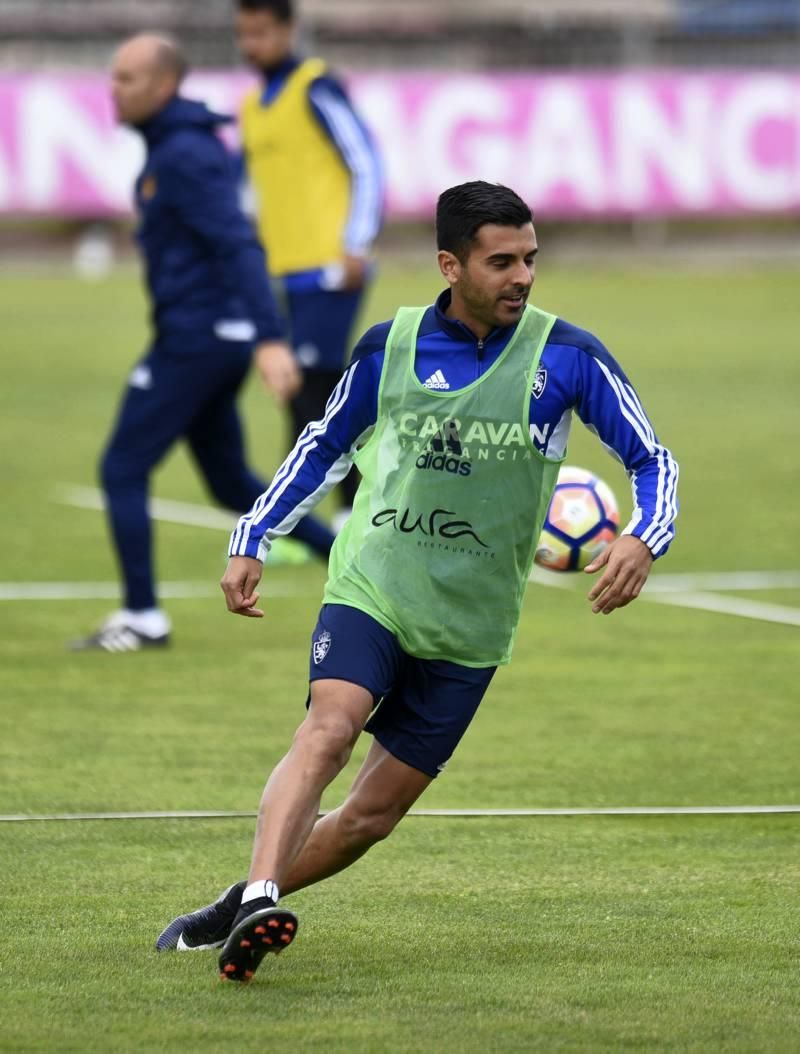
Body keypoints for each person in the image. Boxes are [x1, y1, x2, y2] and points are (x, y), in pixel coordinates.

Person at [155, 182, 679, 981]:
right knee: (330, 727)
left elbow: (653, 458)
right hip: (375, 584)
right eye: (501, 262)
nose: (523, 277)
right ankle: (264, 893)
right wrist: (253, 535)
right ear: (450, 264)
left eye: (530, 259)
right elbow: (323, 446)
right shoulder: (389, 346)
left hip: (471, 623)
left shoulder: (567, 355)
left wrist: (646, 536)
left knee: (370, 817)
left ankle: (242, 901)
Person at [72, 33, 334, 653]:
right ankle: (359, 561)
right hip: (207, 338)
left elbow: (238, 243)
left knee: (122, 467)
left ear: (164, 86)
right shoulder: (175, 148)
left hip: (198, 340)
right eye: (113, 76)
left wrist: (270, 337)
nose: (115, 88)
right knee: (227, 481)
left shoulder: (185, 155)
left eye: (128, 78)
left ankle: (143, 617)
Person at [234, 0, 384, 523]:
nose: (252, 44)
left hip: (328, 265)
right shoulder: (253, 104)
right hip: (281, 268)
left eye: (261, 32)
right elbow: (250, 191)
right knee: (297, 389)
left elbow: (365, 159)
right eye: (245, 34)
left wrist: (356, 243)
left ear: (288, 30)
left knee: (314, 386)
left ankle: (345, 512)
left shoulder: (316, 86)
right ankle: (300, 514)